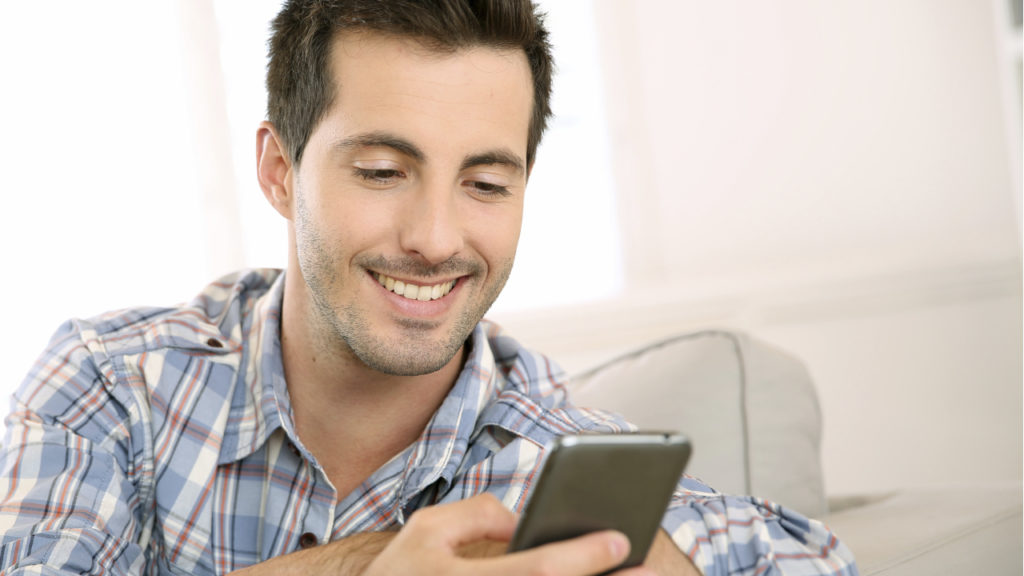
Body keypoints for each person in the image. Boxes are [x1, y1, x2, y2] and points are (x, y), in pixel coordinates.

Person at [0, 1, 858, 574]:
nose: (437, 239)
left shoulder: (546, 454)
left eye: (486, 185)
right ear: (278, 171)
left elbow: (811, 558)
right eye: (381, 171)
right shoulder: (113, 384)